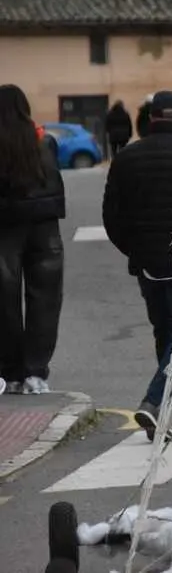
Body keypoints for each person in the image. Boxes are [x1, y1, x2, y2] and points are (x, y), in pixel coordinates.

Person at [102, 91, 172, 440]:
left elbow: (112, 217)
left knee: (167, 335)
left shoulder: (126, 158)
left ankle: (168, 415)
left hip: (148, 264)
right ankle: (155, 403)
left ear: (151, 119)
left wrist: (135, 250)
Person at [0, 85, 66, 395]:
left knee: (5, 302)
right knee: (45, 300)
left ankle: (11, 372)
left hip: (5, 228)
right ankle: (36, 372)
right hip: (44, 228)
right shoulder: (45, 141)